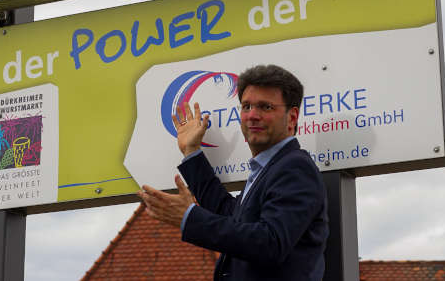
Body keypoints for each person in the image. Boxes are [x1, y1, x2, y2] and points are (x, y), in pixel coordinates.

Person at [139, 64, 328, 280]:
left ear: (292, 118)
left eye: (265, 107)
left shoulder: (295, 167)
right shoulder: (268, 169)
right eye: (246, 106)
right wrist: (191, 152)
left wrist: (190, 218)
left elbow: (270, 242)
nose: (252, 115)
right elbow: (229, 214)